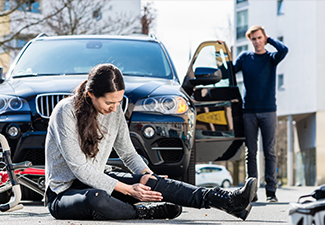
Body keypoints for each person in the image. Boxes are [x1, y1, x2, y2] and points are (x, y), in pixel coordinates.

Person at [45, 63, 257, 221]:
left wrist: (149, 176)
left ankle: (226, 201)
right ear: (91, 94)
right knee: (96, 198)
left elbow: (128, 153)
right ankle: (142, 212)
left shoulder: (115, 109)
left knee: (149, 181)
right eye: (110, 102)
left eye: (119, 101)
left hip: (99, 178)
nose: (114, 107)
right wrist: (129, 190)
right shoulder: (66, 112)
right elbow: (80, 169)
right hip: (64, 194)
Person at [234, 25, 289, 202]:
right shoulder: (245, 58)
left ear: (264, 38)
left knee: (270, 152)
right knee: (251, 153)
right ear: (250, 41)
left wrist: (270, 39)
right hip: (249, 111)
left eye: (260, 38)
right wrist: (221, 50)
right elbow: (229, 70)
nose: (257, 42)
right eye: (254, 39)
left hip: (268, 111)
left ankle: (271, 192)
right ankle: (252, 192)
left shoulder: (272, 58)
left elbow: (284, 49)